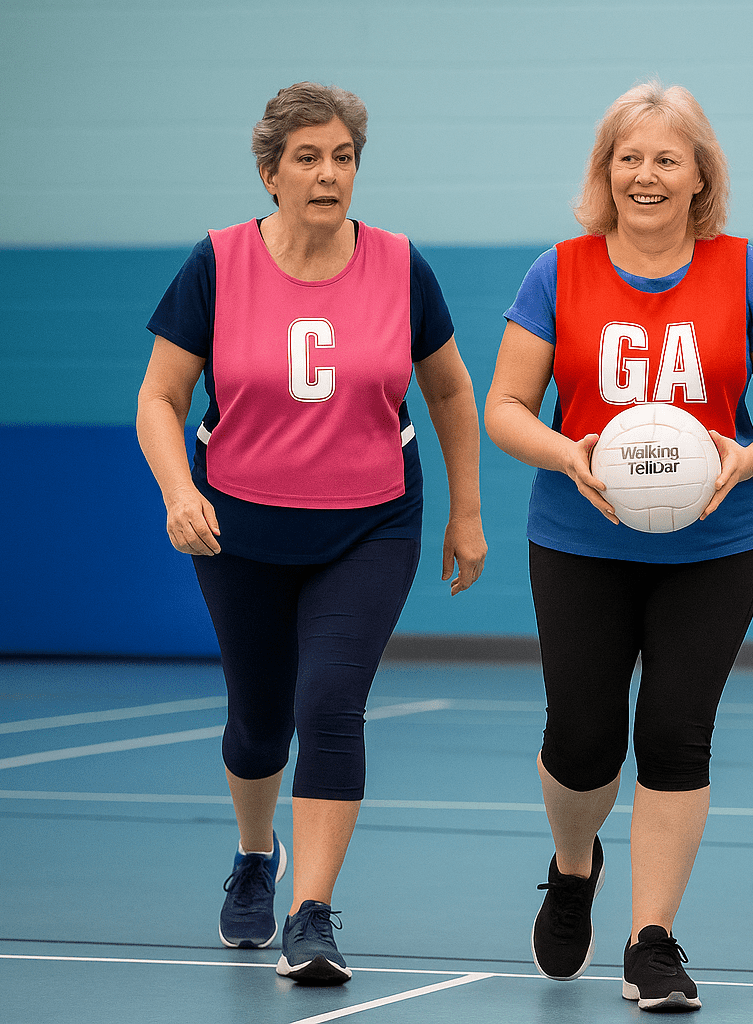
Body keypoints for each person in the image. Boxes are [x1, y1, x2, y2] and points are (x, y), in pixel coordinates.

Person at [136, 82, 487, 985]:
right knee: (259, 723)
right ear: (270, 173)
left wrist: (466, 510)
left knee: (330, 705)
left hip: (370, 525)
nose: (329, 174)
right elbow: (161, 397)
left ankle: (313, 913)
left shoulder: (403, 266)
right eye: (308, 157)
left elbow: (449, 390)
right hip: (237, 529)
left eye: (343, 157)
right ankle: (258, 858)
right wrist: (180, 490)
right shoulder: (217, 264)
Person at [484, 80, 753, 1012]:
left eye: (666, 158)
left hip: (714, 545)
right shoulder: (559, 272)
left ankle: (651, 941)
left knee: (675, 734)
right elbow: (504, 407)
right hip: (579, 539)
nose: (645, 174)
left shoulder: (746, 273)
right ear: (605, 171)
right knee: (584, 742)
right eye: (628, 157)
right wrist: (569, 452)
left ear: (699, 173)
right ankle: (571, 862)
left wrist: (743, 458)